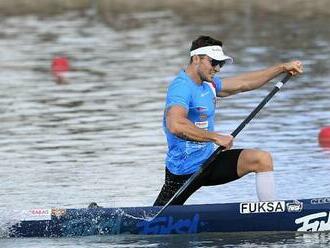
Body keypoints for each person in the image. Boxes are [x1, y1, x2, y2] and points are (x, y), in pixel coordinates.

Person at [154, 35, 303, 206]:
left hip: (210, 161)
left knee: (261, 159)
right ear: (196, 59)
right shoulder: (181, 87)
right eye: (213, 62)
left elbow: (243, 83)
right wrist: (215, 137)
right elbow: (175, 125)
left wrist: (282, 68)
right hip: (183, 171)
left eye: (221, 64)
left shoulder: (208, 85)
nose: (217, 68)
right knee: (151, 222)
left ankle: (271, 212)